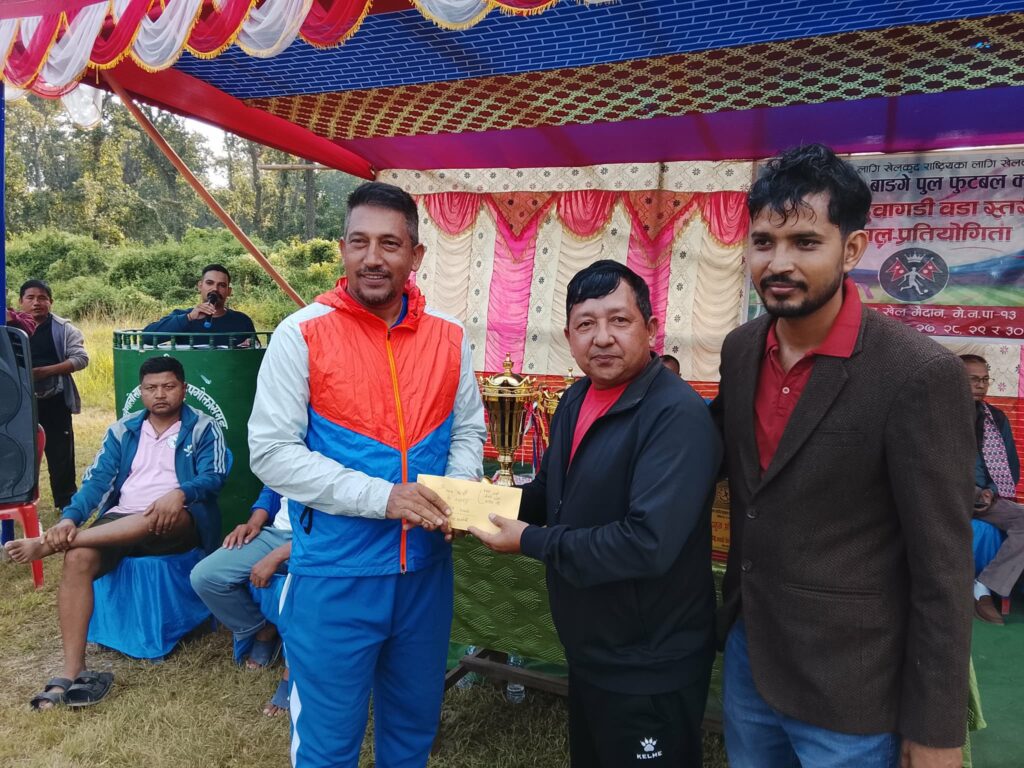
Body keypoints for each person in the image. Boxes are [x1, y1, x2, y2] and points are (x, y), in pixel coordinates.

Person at [712, 144, 974, 768]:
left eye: (805, 242)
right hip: (751, 655)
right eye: (763, 242)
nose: (778, 262)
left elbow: (942, 569)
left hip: (853, 685)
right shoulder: (741, 349)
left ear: (852, 249)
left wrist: (936, 730)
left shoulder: (917, 374)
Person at [248, 181, 486, 767]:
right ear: (342, 249)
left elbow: (467, 429)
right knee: (328, 744)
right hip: (335, 572)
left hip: (424, 574)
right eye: (359, 242)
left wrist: (457, 494)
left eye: (389, 243)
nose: (372, 257)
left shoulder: (450, 336)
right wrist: (384, 498)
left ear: (416, 254)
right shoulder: (300, 333)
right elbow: (272, 452)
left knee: (412, 735)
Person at [472, 260, 722, 767]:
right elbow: (549, 493)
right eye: (586, 324)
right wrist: (474, 506)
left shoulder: (677, 416)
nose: (602, 338)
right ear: (569, 336)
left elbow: (646, 543)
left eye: (619, 320)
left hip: (651, 658)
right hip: (592, 647)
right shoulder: (577, 397)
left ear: (651, 329)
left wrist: (529, 540)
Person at [5, 356, 228, 710]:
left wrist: (181, 493)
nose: (160, 395)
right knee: (77, 558)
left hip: (177, 519)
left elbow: (214, 476)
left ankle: (49, 545)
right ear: (141, 391)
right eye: (151, 388)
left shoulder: (202, 427)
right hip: (122, 517)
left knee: (152, 515)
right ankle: (73, 669)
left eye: (168, 386)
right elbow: (96, 482)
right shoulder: (124, 429)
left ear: (184, 389)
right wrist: (70, 518)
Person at [190, 485, 294, 714]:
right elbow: (273, 486)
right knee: (205, 577)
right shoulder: (295, 456)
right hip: (277, 533)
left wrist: (278, 556)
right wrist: (255, 522)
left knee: (302, 593)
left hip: (322, 542)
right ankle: (263, 628)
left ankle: (293, 676)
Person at [961, 354, 1024, 625]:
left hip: (987, 497)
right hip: (945, 494)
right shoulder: (935, 415)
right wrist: (973, 492)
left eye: (985, 379)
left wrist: (990, 491)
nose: (981, 385)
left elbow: (1011, 467)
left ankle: (984, 586)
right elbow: (929, 465)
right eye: (973, 379)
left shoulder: (996, 418)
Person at [19, 279, 89, 510]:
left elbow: (81, 359)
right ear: (20, 301)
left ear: (50, 301)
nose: (36, 303)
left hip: (56, 398)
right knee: (20, 453)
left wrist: (44, 372)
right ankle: (20, 500)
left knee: (60, 453)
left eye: (42, 298)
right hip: (20, 403)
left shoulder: (64, 328)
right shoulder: (11, 328)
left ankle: (65, 502)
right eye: (30, 298)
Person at [142, 263, 255, 345]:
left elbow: (256, 350)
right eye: (209, 283)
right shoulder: (182, 315)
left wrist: (252, 343)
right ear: (200, 286)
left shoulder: (242, 320)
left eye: (221, 285)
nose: (215, 289)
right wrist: (189, 317)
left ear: (229, 291)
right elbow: (147, 337)